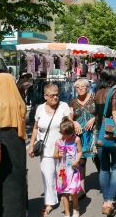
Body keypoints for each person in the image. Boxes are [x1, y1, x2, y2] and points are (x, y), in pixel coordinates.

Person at [0, 72, 27, 217]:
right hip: (19, 145)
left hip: (2, 146)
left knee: (2, 182)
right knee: (18, 181)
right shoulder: (19, 102)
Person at [28, 84, 71, 216]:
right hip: (45, 149)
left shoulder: (63, 106)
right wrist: (31, 144)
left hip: (62, 149)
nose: (55, 97)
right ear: (45, 96)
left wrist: (72, 121)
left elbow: (69, 124)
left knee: (63, 176)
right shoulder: (40, 108)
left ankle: (66, 199)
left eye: (57, 94)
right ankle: (50, 202)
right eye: (52, 95)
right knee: (47, 176)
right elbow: (35, 128)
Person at [95, 68, 116, 216]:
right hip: (112, 134)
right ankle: (110, 201)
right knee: (115, 166)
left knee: (103, 168)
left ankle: (105, 201)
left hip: (99, 133)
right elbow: (115, 113)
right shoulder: (114, 92)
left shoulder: (97, 93)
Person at [70, 78, 98, 197]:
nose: (80, 89)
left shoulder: (94, 98)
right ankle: (81, 188)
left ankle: (104, 182)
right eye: (77, 87)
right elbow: (70, 116)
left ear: (87, 87)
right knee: (81, 161)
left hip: (94, 133)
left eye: (83, 87)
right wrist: (74, 122)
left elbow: (102, 113)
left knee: (98, 159)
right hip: (80, 135)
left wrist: (94, 118)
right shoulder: (73, 101)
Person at [54, 117, 82, 217]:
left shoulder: (76, 139)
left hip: (73, 170)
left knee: (73, 192)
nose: (67, 136)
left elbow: (79, 151)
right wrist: (58, 155)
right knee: (64, 193)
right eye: (64, 134)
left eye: (69, 134)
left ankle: (76, 207)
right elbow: (55, 155)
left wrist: (77, 160)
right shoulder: (58, 142)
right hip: (62, 170)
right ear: (60, 132)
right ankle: (67, 213)